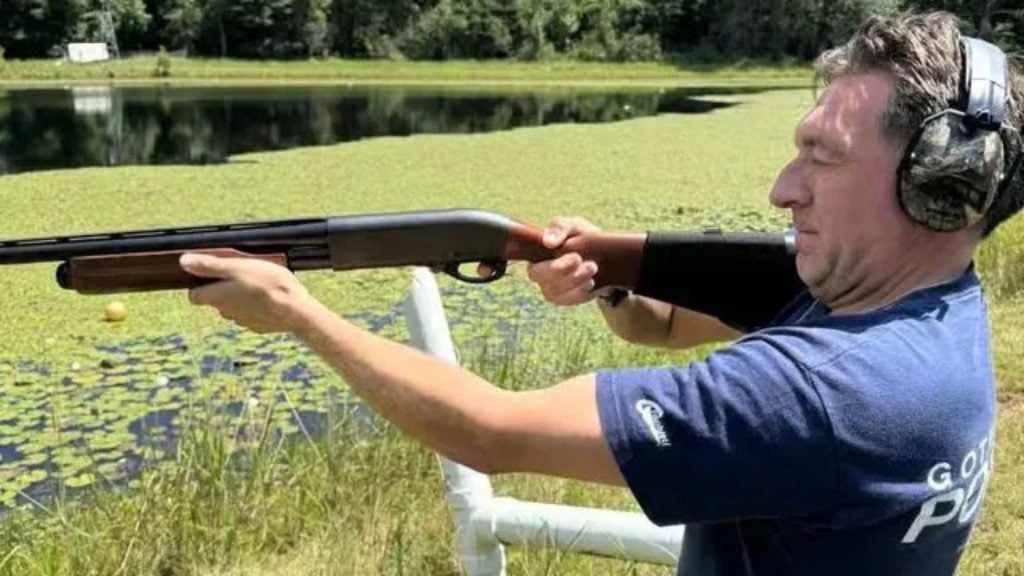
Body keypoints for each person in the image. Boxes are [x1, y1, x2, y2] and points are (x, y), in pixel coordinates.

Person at [177, 12, 1022, 576]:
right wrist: (610, 280)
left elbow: (487, 430)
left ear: (940, 186)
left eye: (823, 156)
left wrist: (294, 311)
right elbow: (658, 328)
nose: (783, 188)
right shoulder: (921, 313)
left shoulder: (828, 394)